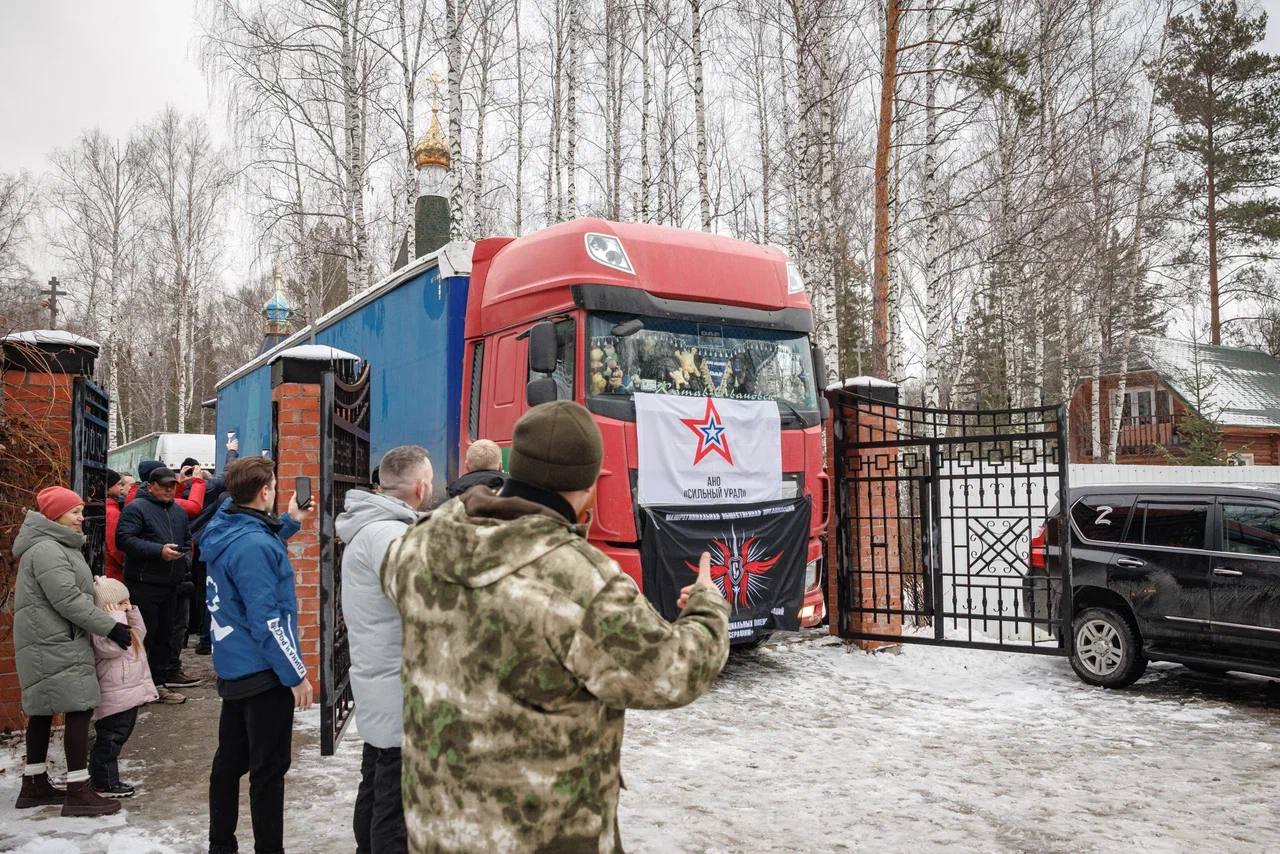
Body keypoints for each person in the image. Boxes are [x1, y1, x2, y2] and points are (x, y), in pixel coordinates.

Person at [382, 401, 730, 851]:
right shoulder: (580, 582)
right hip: (544, 836)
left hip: (439, 830)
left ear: (513, 470)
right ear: (589, 488)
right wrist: (707, 604)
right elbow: (674, 672)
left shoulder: (419, 545)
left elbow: (396, 580)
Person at [199, 456, 313, 854]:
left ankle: (221, 844)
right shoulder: (254, 545)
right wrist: (295, 674)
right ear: (265, 491)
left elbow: (251, 552)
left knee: (229, 764)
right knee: (268, 772)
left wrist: (289, 522)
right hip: (263, 673)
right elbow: (267, 621)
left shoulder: (226, 526)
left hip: (235, 668)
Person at [335, 446, 434, 854]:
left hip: (384, 677)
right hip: (398, 683)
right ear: (421, 486)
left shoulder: (378, 528)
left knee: (378, 781)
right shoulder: (387, 534)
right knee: (395, 803)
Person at [12, 486, 133, 817]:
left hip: (47, 639)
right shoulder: (49, 549)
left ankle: (34, 784)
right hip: (54, 641)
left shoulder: (51, 545)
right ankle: (78, 791)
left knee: (43, 710)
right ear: (55, 516)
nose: (82, 517)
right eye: (75, 512)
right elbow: (67, 599)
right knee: (78, 707)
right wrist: (109, 627)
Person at [116, 466, 200, 702]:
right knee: (145, 636)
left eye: (172, 486)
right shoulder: (136, 508)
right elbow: (124, 540)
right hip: (144, 584)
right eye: (163, 486)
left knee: (165, 636)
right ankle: (138, 685)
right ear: (150, 486)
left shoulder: (178, 511)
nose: (168, 490)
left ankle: (158, 683)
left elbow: (186, 540)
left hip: (170, 584)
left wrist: (185, 562)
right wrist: (158, 551)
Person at [88, 576, 158, 798]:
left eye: (127, 601)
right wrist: (115, 617)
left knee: (119, 736)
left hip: (128, 694)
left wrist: (131, 611)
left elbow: (140, 633)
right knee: (110, 740)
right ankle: (104, 781)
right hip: (114, 697)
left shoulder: (125, 626)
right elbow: (113, 649)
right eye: (120, 603)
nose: (124, 607)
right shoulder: (102, 630)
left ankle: (105, 778)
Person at [104, 469, 128, 581]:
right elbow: (115, 545)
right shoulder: (112, 512)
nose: (121, 488)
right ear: (108, 487)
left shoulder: (106, 508)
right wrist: (125, 562)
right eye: (118, 484)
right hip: (113, 571)